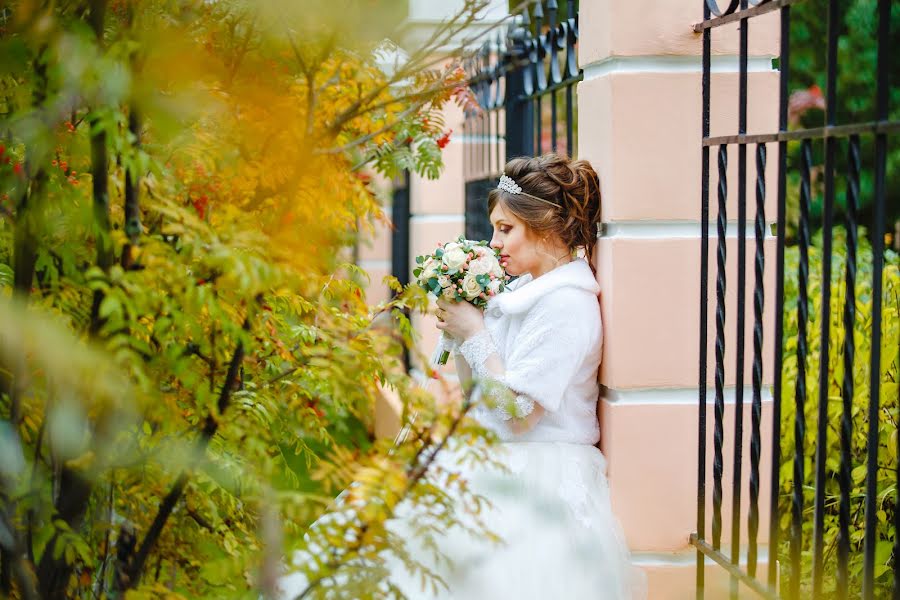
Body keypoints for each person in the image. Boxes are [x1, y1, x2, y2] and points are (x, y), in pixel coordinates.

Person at [276, 153, 644, 599]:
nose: (494, 243)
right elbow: (482, 393)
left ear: (545, 224)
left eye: (505, 229)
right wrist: (463, 330)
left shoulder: (566, 304)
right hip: (494, 457)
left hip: (535, 474)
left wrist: (474, 333)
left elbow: (519, 412)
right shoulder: (525, 291)